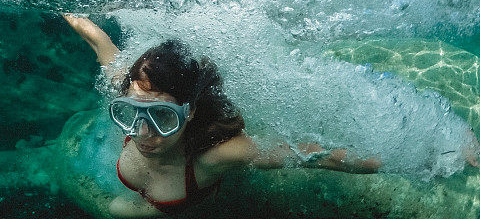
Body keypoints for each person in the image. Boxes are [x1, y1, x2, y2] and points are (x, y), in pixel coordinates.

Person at [61, 12, 389, 218]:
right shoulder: (131, 87)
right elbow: (97, 39)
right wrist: (73, 14)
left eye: (163, 117)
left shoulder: (214, 154)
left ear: (188, 113)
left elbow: (310, 155)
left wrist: (392, 162)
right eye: (130, 112)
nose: (142, 133)